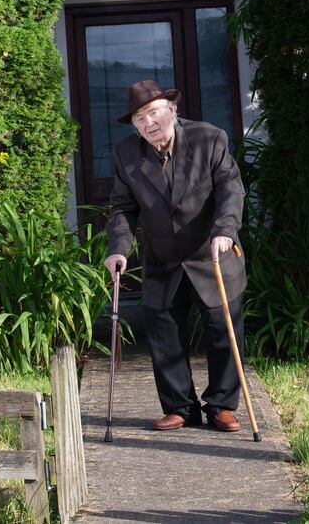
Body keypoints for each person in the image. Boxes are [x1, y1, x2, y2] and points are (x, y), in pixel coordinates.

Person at [103, 80, 247, 432]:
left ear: (172, 109)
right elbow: (122, 207)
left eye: (154, 113)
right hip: (164, 259)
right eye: (140, 118)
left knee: (223, 329)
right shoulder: (127, 153)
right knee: (164, 333)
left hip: (211, 253)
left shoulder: (208, 138)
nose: (148, 123)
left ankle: (221, 406)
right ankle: (180, 407)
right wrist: (118, 249)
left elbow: (230, 188)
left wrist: (225, 230)